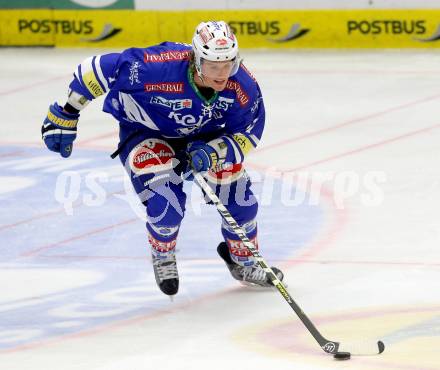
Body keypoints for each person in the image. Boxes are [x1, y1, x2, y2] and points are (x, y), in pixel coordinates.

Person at [41, 20, 284, 296]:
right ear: (195, 59)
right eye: (214, 65)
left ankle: (243, 260)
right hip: (146, 132)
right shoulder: (157, 66)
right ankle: (163, 253)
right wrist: (68, 112)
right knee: (165, 206)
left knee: (240, 200)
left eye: (228, 63)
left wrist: (213, 152)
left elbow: (248, 133)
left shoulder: (243, 87)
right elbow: (95, 69)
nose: (222, 74)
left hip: (205, 137)